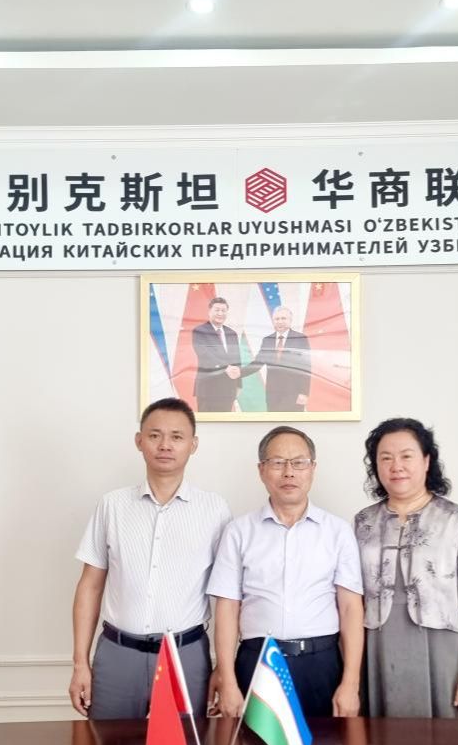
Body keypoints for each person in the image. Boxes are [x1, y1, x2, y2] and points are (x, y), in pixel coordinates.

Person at [68, 398, 231, 719]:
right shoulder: (112, 505)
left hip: (185, 656)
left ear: (193, 445)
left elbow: (227, 596)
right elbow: (90, 586)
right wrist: (79, 664)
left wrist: (225, 668)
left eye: (177, 436)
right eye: (155, 435)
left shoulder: (215, 510)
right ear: (139, 441)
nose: (165, 445)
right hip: (117, 654)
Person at [209, 426, 364, 719]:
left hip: (321, 664)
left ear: (312, 469)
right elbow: (227, 609)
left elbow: (350, 609)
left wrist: (350, 684)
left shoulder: (338, 531)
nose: (289, 472)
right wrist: (228, 681)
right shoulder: (239, 532)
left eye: (299, 463)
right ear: (261, 470)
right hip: (258, 662)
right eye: (278, 462)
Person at [354, 418, 458, 718]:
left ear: (426, 460)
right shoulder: (363, 522)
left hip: (443, 652)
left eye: (406, 456)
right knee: (380, 741)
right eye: (385, 458)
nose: (396, 466)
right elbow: (351, 601)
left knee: (447, 742)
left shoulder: (457, 520)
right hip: (377, 651)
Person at [241, 306, 311, 413]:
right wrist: (239, 372)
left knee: (291, 422)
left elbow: (306, 367)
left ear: (290, 320)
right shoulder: (267, 340)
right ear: (273, 321)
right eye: (277, 319)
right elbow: (258, 363)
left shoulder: (300, 339)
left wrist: (304, 393)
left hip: (294, 394)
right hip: (273, 394)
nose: (280, 321)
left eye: (283, 318)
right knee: (274, 422)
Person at [190, 297, 243, 412]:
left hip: (228, 388)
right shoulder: (199, 331)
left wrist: (239, 384)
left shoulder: (232, 333)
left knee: (225, 422)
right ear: (209, 311)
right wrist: (225, 368)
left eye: (223, 310)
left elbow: (237, 360)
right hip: (208, 388)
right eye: (217, 310)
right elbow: (204, 355)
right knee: (207, 422)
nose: (220, 313)